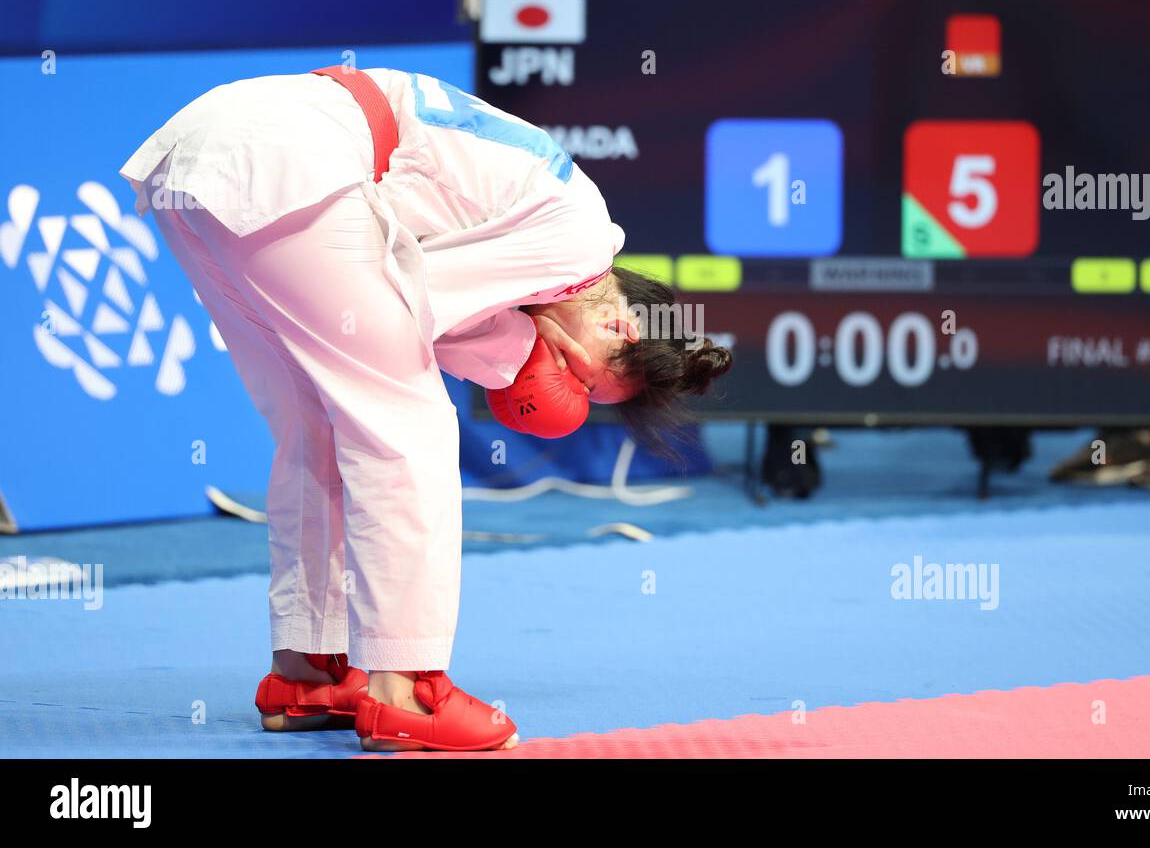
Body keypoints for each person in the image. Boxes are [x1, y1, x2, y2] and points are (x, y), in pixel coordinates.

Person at [119, 67, 731, 752]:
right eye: (584, 383)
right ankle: (408, 690)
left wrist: (514, 348)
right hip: (287, 161)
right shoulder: (580, 240)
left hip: (212, 158)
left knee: (315, 428)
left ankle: (309, 672)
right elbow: (413, 295)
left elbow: (388, 292)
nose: (566, 389)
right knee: (408, 430)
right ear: (622, 329)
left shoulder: (561, 239)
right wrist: (515, 356)